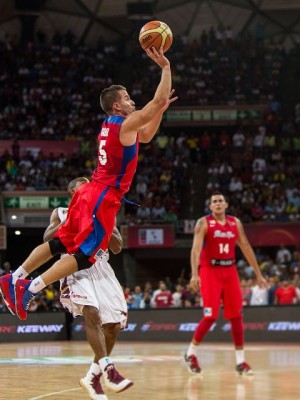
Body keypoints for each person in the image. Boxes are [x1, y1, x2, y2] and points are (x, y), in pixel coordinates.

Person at [0, 46, 177, 321]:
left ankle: (14, 277)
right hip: (103, 196)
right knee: (85, 255)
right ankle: (29, 289)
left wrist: (160, 110)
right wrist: (165, 68)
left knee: (60, 242)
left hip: (89, 191)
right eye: (128, 98)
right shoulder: (124, 124)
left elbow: (147, 134)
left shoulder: (112, 125)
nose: (132, 101)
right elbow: (156, 101)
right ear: (117, 105)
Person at [43, 177, 131, 398]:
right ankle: (108, 369)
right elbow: (47, 238)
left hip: (100, 266)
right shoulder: (61, 212)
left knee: (113, 326)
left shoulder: (105, 207)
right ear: (73, 192)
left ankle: (92, 376)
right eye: (85, 187)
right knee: (91, 313)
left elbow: (118, 247)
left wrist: (101, 219)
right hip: (74, 265)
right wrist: (75, 217)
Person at [184, 192, 267, 375]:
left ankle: (241, 362)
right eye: (214, 201)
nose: (218, 203)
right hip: (209, 271)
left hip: (230, 271)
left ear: (226, 204)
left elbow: (245, 246)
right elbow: (196, 249)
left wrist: (258, 274)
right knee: (210, 316)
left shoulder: (235, 223)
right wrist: (194, 274)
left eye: (221, 201)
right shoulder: (203, 223)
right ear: (211, 206)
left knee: (237, 316)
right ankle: (191, 353)